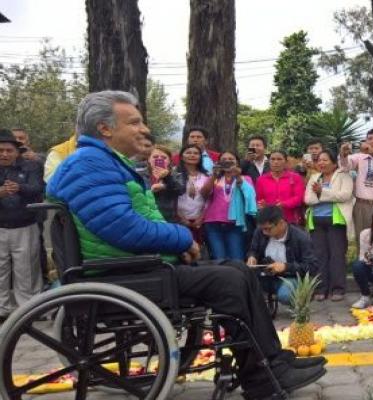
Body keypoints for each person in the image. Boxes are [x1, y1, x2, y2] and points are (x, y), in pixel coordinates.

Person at [46, 91, 326, 398]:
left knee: (240, 271)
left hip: (135, 266)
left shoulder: (103, 163)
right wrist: (181, 238)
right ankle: (260, 376)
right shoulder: (89, 166)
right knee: (229, 280)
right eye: (135, 122)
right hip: (122, 274)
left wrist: (176, 241)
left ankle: (272, 362)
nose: (144, 129)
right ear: (105, 128)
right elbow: (123, 229)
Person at [0, 129, 44, 323]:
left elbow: (38, 188)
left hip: (25, 224)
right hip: (1, 226)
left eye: (8, 150)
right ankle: (3, 309)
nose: (4, 154)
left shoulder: (31, 166)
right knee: (0, 270)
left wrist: (20, 188)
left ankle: (28, 308)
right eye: (0, 150)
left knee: (26, 269)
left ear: (16, 151)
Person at [303, 150, 354, 301]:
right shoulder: (314, 177)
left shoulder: (344, 176)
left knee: (337, 255)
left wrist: (321, 192)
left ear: (334, 162)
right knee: (319, 256)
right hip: (316, 220)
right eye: (319, 160)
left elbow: (344, 195)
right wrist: (327, 195)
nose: (321, 163)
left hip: (336, 220)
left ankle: (338, 289)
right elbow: (308, 199)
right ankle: (321, 288)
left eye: (325, 160)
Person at [246, 206, 319, 305]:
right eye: (262, 229)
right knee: (240, 282)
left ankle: (300, 299)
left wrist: (286, 267)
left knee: (285, 295)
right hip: (265, 275)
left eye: (268, 229)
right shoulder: (260, 232)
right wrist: (252, 257)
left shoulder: (300, 237)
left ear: (281, 223)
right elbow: (253, 250)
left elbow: (312, 266)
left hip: (292, 277)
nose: (264, 232)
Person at [202, 151, 257, 261]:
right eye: (224, 159)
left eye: (231, 159)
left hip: (235, 224)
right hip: (213, 223)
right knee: (219, 259)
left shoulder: (245, 178)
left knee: (237, 258)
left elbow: (250, 196)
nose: (227, 161)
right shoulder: (215, 178)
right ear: (219, 163)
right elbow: (204, 193)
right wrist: (214, 175)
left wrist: (237, 176)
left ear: (237, 163)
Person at [255, 150, 306, 225]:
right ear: (269, 162)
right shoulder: (261, 180)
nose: (276, 162)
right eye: (273, 159)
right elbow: (259, 199)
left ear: (285, 162)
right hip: (269, 221)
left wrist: (284, 204)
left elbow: (299, 198)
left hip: (291, 220)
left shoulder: (295, 177)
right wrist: (263, 205)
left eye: (279, 159)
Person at [140, 145, 185, 223]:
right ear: (148, 159)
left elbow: (181, 190)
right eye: (155, 157)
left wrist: (167, 178)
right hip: (146, 218)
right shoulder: (140, 174)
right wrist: (150, 191)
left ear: (170, 161)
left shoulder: (176, 175)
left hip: (169, 218)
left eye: (164, 158)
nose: (159, 159)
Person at [176, 145, 211, 244]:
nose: (192, 155)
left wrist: (201, 218)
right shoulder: (174, 174)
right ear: (182, 156)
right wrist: (181, 218)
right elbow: (171, 198)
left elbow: (209, 199)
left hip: (200, 220)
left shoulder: (206, 176)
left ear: (200, 157)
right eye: (188, 152)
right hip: (178, 220)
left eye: (196, 153)